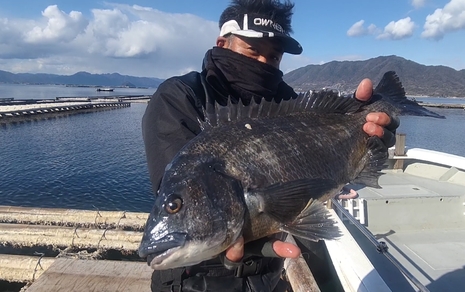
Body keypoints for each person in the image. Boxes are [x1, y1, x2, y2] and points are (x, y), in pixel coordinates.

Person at [142, 0, 399, 291]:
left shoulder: (288, 102)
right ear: (222, 43)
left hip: (266, 279)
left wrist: (371, 135)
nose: (262, 63)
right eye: (252, 50)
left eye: (273, 57)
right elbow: (177, 184)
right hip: (188, 281)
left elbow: (321, 168)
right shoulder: (180, 96)